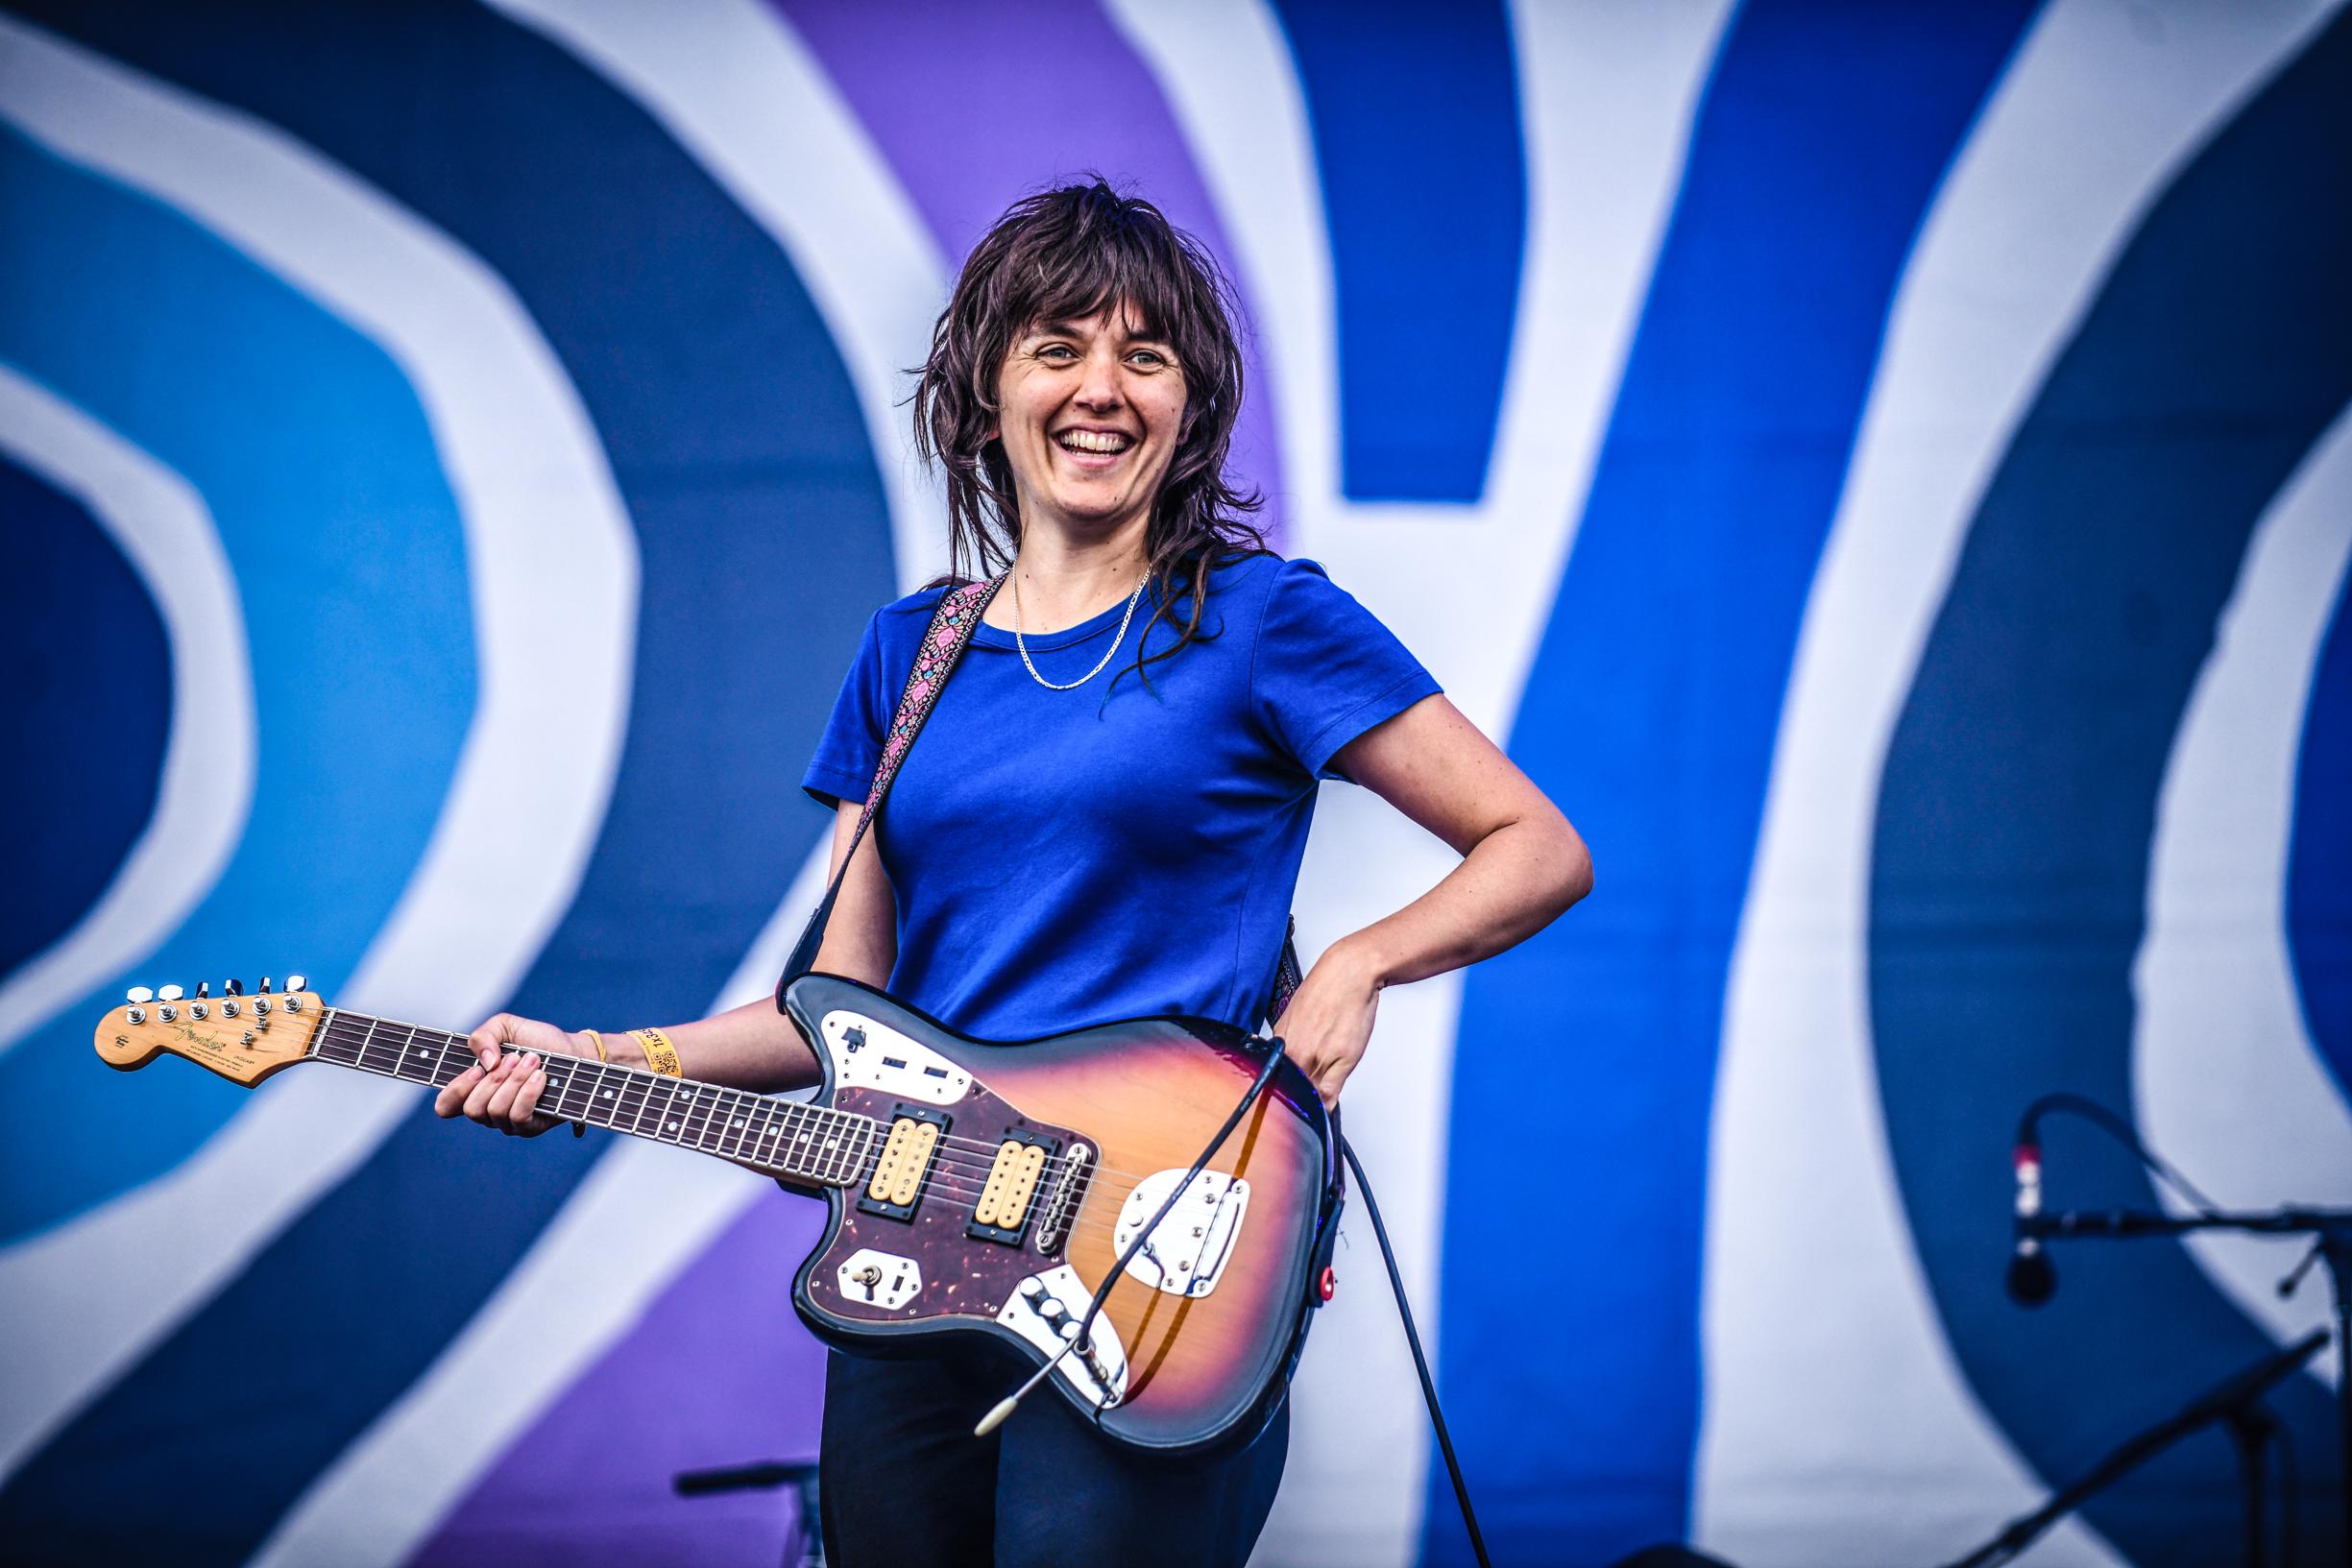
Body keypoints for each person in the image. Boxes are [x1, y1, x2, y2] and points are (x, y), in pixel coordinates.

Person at [435, 180, 1591, 1568]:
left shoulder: (1264, 620)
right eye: (1056, 346)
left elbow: (1537, 845)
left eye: (1144, 355)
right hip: (911, 1254)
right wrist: (592, 1059)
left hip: (1141, 1254)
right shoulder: (910, 653)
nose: (1100, 388)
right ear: (986, 394)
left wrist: (1357, 962)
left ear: (1189, 408)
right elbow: (835, 1006)